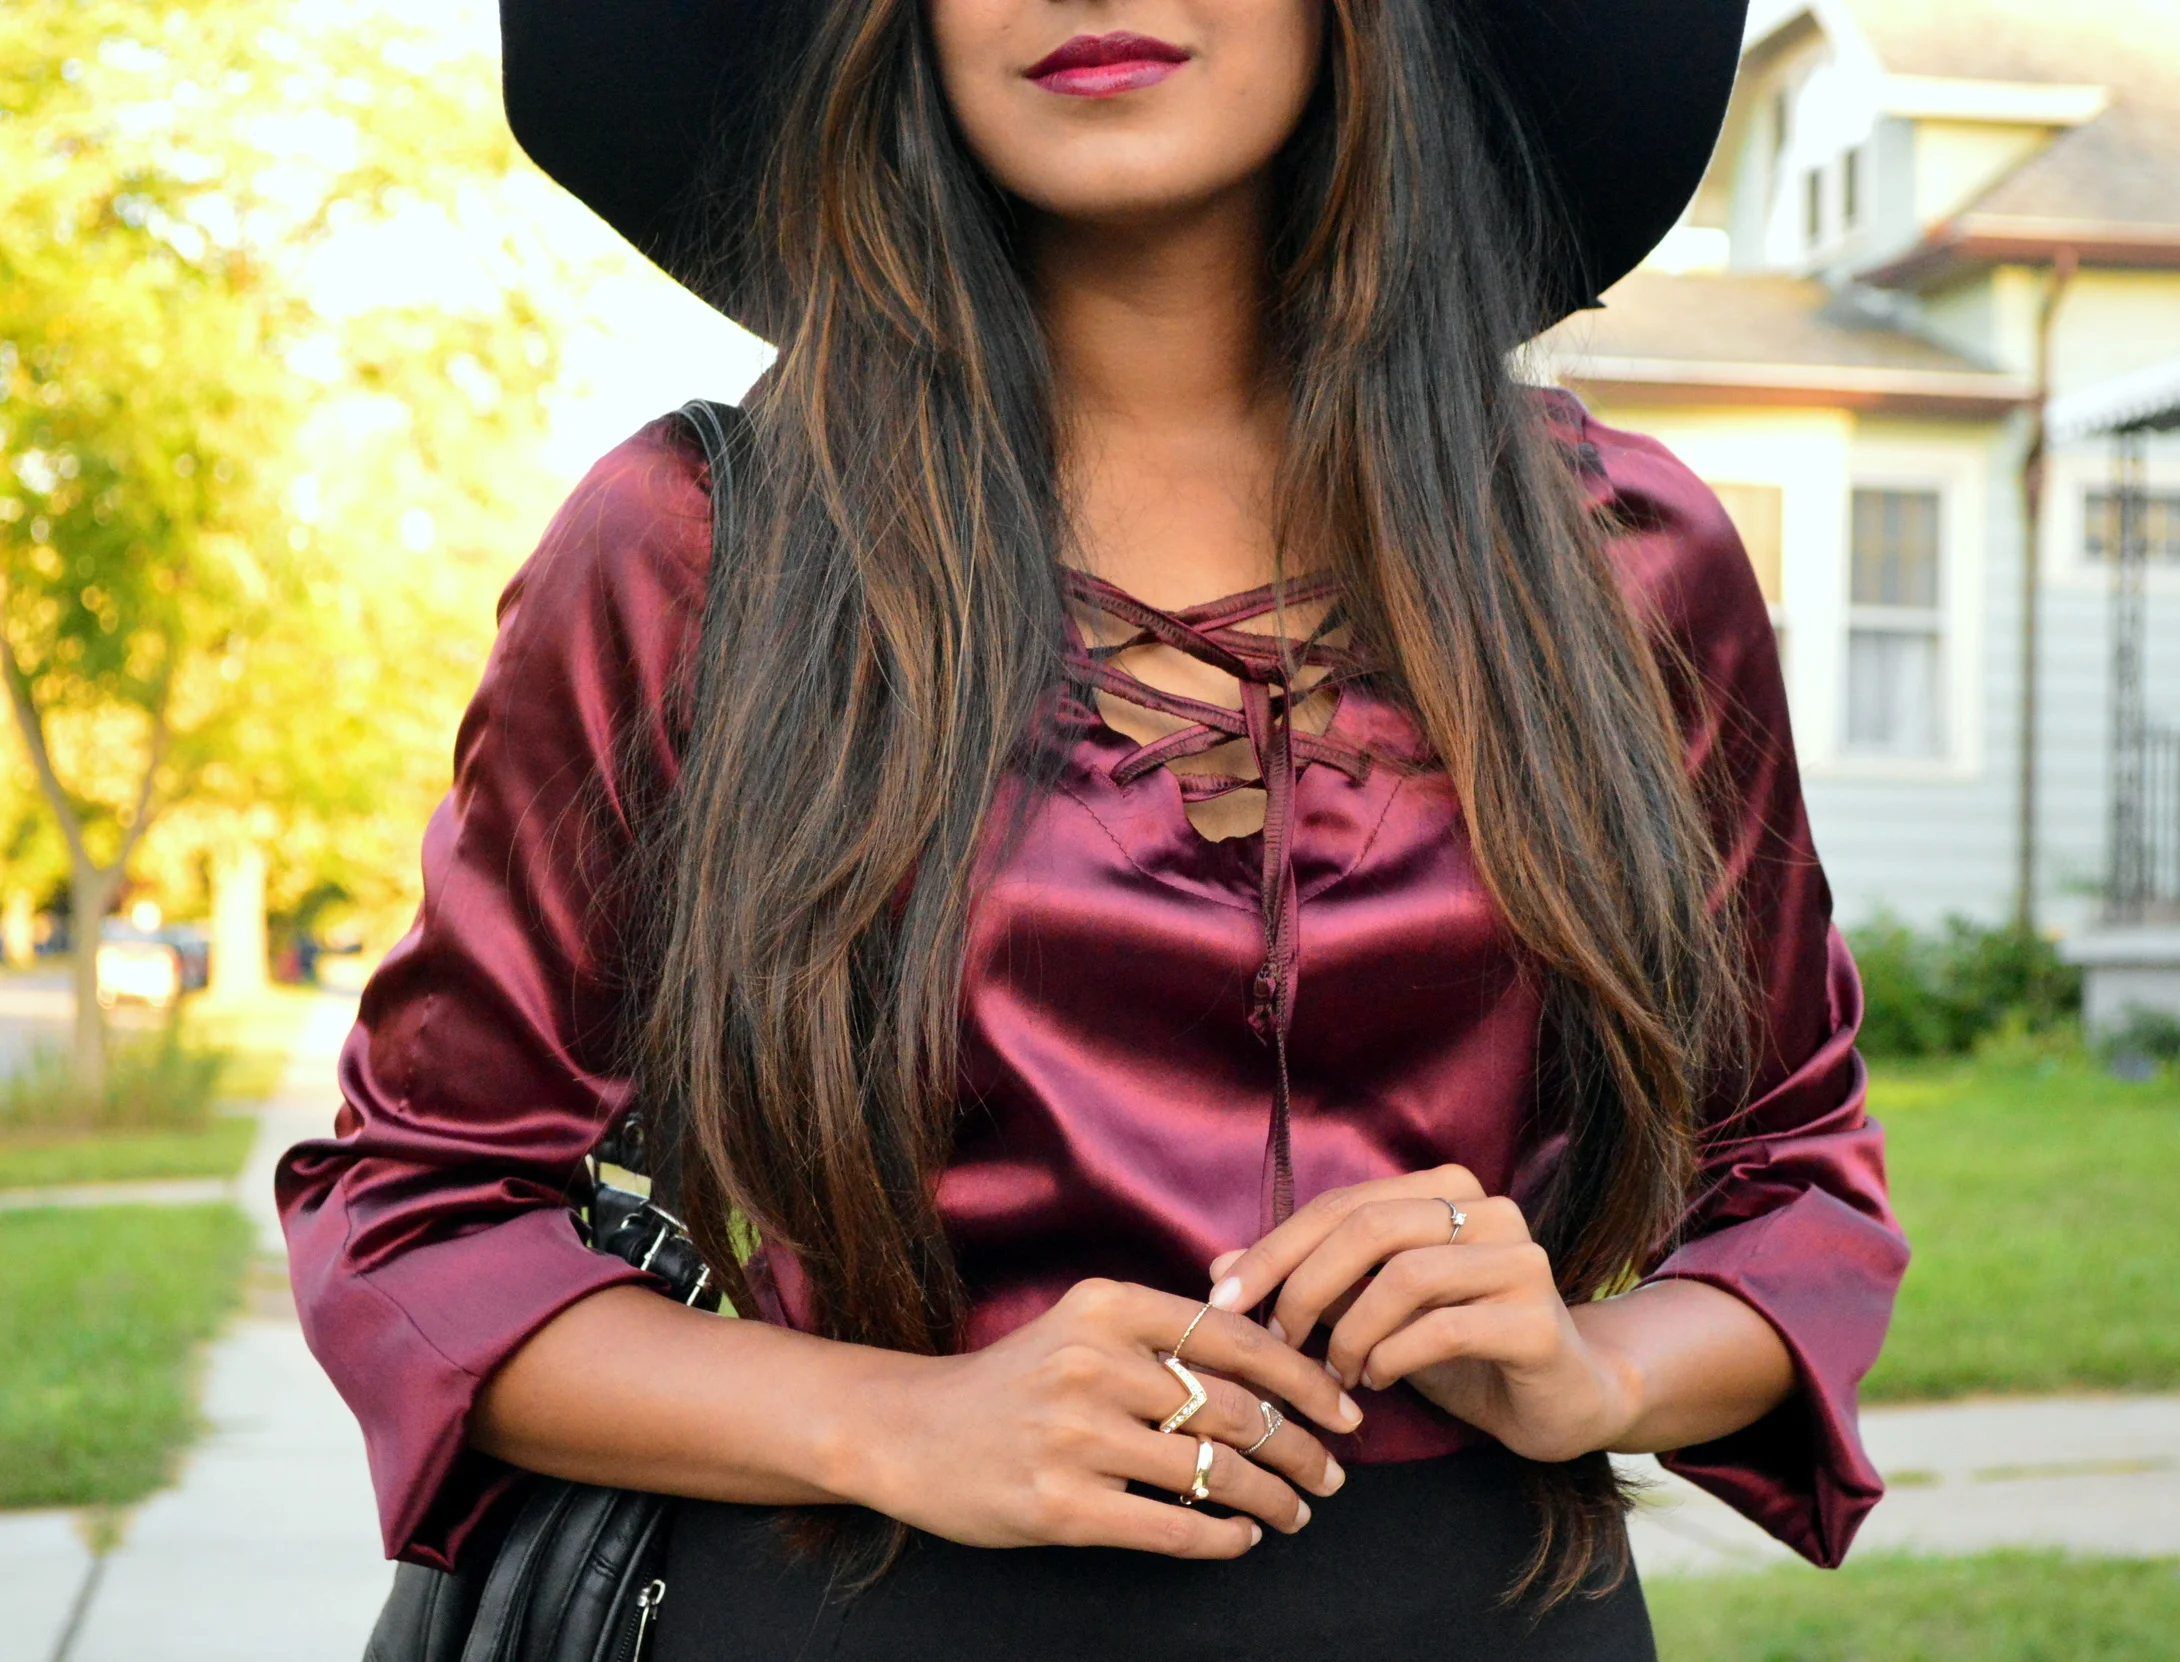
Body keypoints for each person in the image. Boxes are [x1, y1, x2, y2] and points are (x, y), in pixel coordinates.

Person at [279, 1, 1908, 1656]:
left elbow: (1800, 1186)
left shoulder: (1618, 558)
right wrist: (893, 1420)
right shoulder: (698, 550)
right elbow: (421, 1217)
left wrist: (1594, 1369)